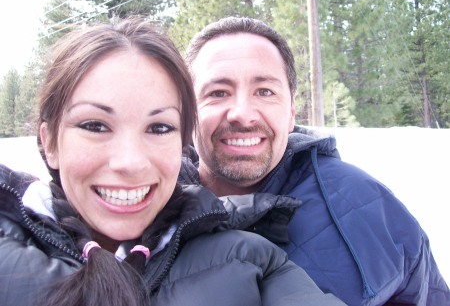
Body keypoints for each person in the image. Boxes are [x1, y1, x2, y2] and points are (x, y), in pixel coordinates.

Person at [0, 17, 347, 306]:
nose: (131, 162)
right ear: (50, 142)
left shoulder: (251, 262)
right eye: (95, 125)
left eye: (159, 127)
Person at [179, 16, 450, 305]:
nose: (243, 114)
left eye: (265, 91)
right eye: (218, 93)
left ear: (292, 110)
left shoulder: (371, 208)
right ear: (187, 110)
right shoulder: (146, 214)